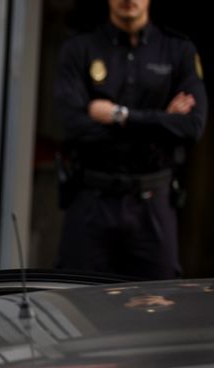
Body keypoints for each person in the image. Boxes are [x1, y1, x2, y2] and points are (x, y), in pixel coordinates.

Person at [53, 0, 207, 280]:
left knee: (158, 305)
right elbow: (75, 126)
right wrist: (161, 120)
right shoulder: (79, 49)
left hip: (153, 204)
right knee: (76, 303)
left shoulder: (178, 50)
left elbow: (191, 127)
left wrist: (119, 115)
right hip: (92, 200)